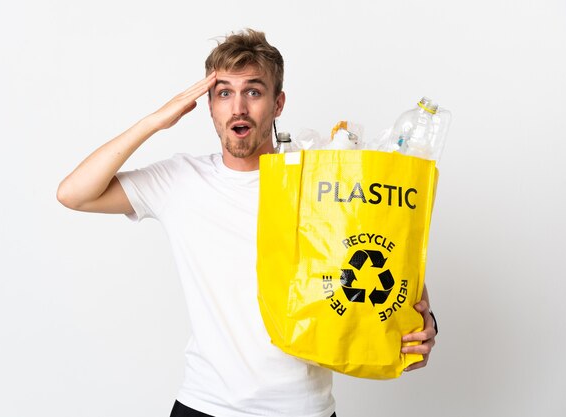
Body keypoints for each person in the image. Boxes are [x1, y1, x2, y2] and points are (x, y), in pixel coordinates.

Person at [57, 29, 437, 417]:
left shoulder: (321, 182)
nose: (237, 107)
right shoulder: (180, 181)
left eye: (253, 92)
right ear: (208, 105)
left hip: (302, 409)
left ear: (278, 103)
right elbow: (75, 193)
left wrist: (423, 324)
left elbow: (384, 257)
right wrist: (155, 120)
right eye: (224, 93)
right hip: (204, 405)